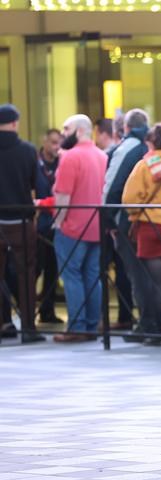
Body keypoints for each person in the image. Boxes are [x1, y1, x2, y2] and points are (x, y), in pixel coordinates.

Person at [122, 123, 161, 346]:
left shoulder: (144, 165)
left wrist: (135, 214)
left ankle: (159, 335)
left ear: (149, 143)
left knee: (158, 284)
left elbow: (129, 200)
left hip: (151, 229)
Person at [52, 114, 107, 342]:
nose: (64, 133)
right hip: (96, 225)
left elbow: (63, 195)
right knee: (93, 275)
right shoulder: (102, 156)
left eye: (67, 128)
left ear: (81, 130)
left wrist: (57, 222)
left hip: (73, 227)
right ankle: (93, 325)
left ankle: (77, 327)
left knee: (72, 276)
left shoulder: (70, 157)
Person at [103, 109, 152, 340]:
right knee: (151, 274)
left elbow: (111, 186)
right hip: (152, 221)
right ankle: (155, 324)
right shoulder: (149, 147)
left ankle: (146, 324)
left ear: (125, 128)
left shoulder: (126, 147)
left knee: (137, 274)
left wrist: (108, 221)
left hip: (128, 221)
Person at [0, 104, 45, 343]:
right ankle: (28, 327)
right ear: (15, 123)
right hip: (21, 219)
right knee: (26, 273)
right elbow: (40, 184)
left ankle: (4, 324)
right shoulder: (27, 150)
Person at [35, 128, 64, 324]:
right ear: (44, 142)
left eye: (58, 143)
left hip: (57, 224)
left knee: (53, 271)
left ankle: (47, 310)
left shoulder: (63, 163)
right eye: (53, 143)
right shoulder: (34, 163)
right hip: (38, 223)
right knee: (35, 268)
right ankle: (26, 310)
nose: (56, 147)